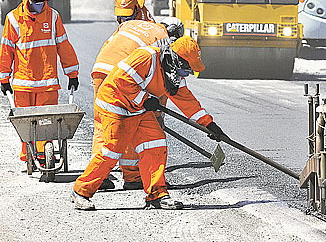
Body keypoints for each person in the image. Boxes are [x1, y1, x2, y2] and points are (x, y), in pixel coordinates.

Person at [71, 36, 226, 210]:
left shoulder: (173, 73)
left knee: (155, 144)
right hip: (115, 105)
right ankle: (81, 192)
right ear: (176, 60)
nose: (187, 74)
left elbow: (187, 101)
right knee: (112, 150)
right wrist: (144, 99)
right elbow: (121, 81)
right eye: (186, 70)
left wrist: (209, 124)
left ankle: (157, 195)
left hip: (138, 109)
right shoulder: (146, 57)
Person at [91, 0, 183, 190]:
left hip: (103, 69)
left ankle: (103, 176)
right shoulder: (162, 40)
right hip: (121, 75)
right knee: (131, 121)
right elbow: (160, 80)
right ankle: (132, 177)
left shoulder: (134, 26)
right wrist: (155, 111)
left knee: (102, 125)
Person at [0, 0, 79, 163]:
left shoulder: (53, 17)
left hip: (48, 84)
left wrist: (72, 74)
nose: (40, 5)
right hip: (22, 85)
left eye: (43, 1)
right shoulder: (13, 19)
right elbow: (6, 50)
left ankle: (42, 156)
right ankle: (29, 155)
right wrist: (3, 78)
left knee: (45, 125)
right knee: (26, 126)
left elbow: (64, 47)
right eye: (36, 1)